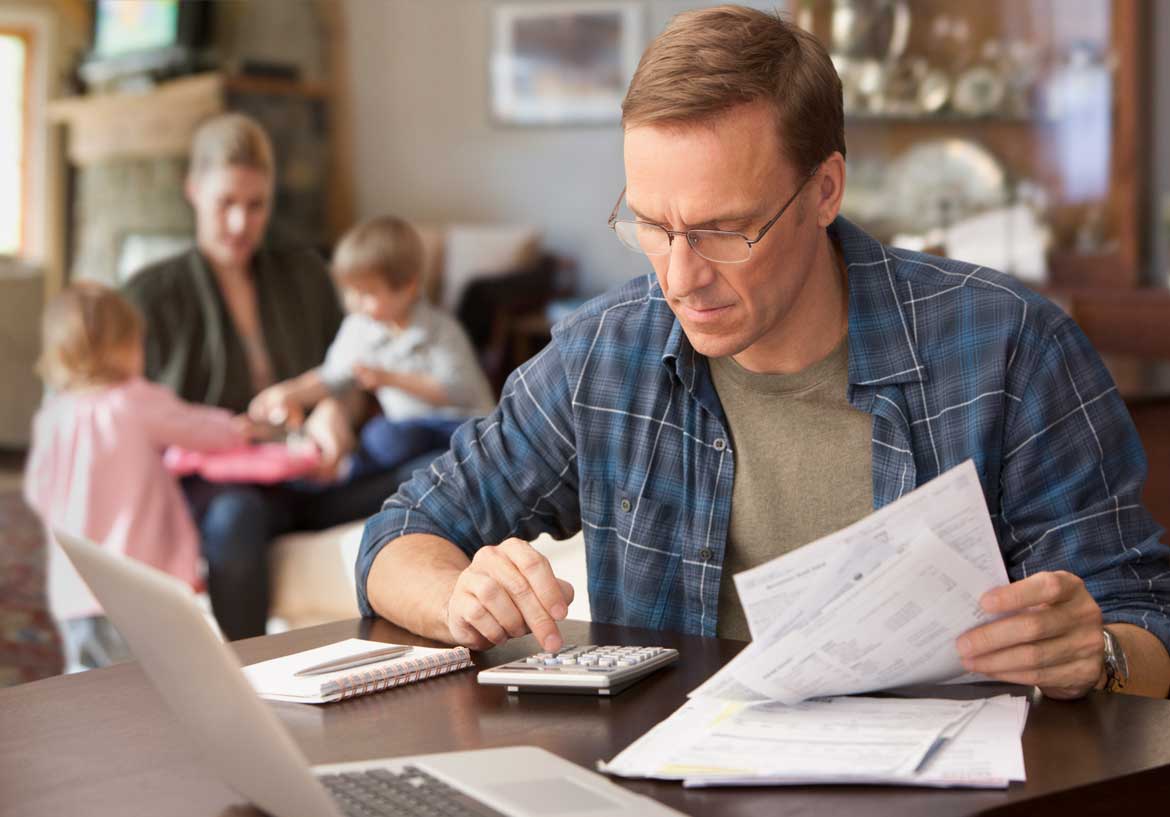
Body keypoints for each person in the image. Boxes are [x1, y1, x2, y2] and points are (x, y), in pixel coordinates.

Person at [357, 5, 1170, 699]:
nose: (680, 277)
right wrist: (459, 594)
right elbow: (400, 532)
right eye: (652, 224)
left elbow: (1146, 620)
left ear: (825, 190)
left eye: (723, 230)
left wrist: (1094, 654)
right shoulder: (608, 351)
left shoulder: (1008, 348)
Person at [123, 113, 404, 641]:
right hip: (219, 487)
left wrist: (332, 413)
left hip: (311, 475)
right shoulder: (150, 296)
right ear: (193, 190)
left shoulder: (305, 275)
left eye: (256, 206)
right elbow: (130, 418)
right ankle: (250, 681)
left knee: (436, 465)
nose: (239, 224)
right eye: (225, 203)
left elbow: (351, 375)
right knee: (236, 519)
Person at [23, 282, 249, 669]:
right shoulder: (133, 400)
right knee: (152, 684)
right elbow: (198, 429)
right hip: (140, 586)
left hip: (76, 589)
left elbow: (35, 491)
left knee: (90, 689)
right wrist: (241, 427)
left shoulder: (53, 416)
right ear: (128, 346)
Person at [248, 216, 494, 482]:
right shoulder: (359, 328)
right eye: (350, 292)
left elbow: (458, 390)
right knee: (385, 441)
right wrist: (289, 393)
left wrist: (389, 378)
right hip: (410, 433)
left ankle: (353, 476)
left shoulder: (441, 330)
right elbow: (331, 377)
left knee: (387, 437)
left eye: (367, 293)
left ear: (408, 287)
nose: (355, 303)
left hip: (460, 426)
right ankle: (337, 479)